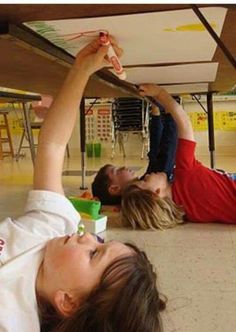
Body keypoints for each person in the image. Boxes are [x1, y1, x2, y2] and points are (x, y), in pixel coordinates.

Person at [0, 40, 164, 331]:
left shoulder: (13, 319)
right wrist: (82, 69)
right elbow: (52, 146)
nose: (88, 237)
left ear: (69, 303)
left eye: (94, 254)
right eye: (101, 243)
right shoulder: (55, 226)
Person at [121, 84, 236, 230]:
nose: (148, 174)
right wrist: (161, 93)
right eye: (145, 180)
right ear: (156, 193)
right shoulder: (185, 173)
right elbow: (184, 123)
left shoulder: (186, 212)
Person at [92, 101, 178, 205]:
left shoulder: (141, 187)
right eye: (117, 171)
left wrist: (156, 113)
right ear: (114, 188)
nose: (123, 167)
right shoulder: (146, 191)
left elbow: (155, 155)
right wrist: (171, 112)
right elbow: (168, 152)